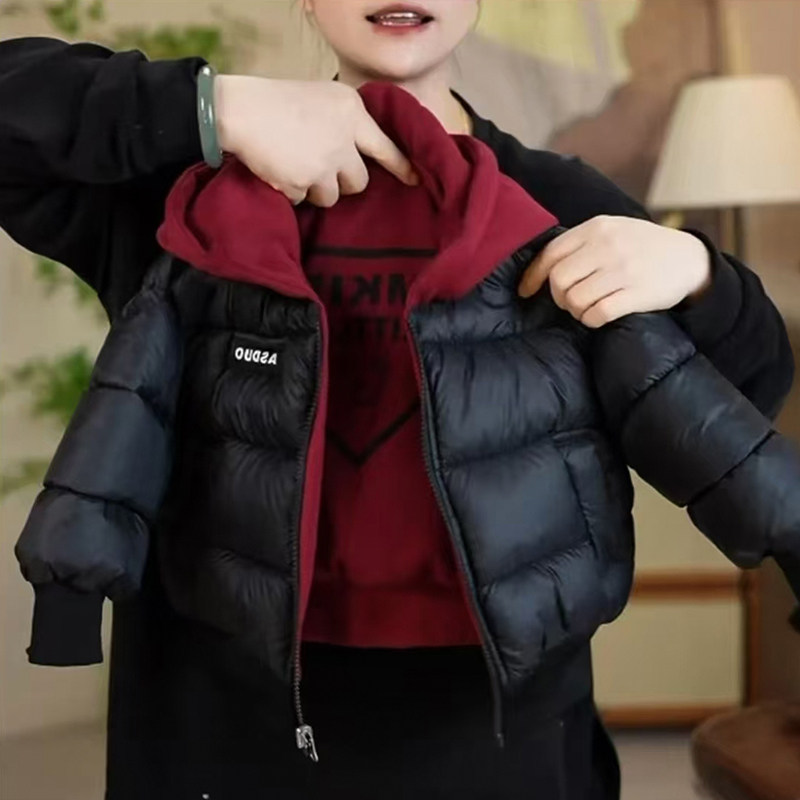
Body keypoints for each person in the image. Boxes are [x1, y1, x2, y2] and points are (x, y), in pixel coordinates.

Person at [0, 2, 794, 799]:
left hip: (497, 732)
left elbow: (751, 388)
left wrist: (698, 274)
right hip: (216, 720)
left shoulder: (559, 205)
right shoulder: (186, 192)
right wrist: (216, 107)